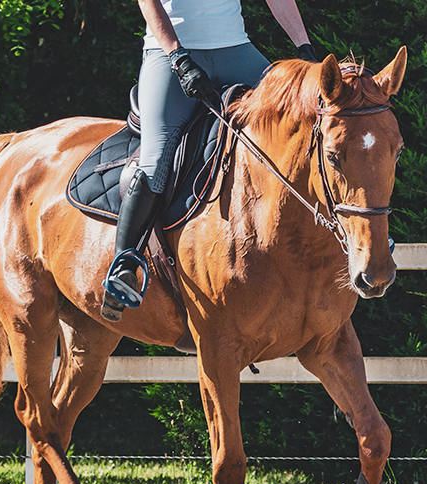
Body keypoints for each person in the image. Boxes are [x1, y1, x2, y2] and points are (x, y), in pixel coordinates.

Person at [101, 0, 318, 322]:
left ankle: (351, 225)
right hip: (169, 54)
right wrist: (177, 55)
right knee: (156, 159)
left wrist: (304, 47)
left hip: (237, 51)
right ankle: (124, 266)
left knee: (309, 119)